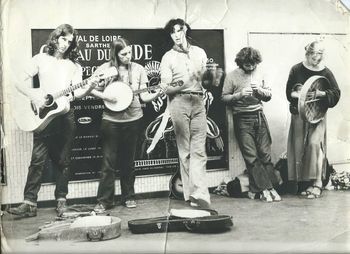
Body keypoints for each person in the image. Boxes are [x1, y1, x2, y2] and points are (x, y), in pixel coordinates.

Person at [8, 24, 97, 217]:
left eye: (70, 42)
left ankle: (61, 201)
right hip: (43, 115)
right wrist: (33, 95)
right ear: (56, 37)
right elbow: (17, 80)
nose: (66, 44)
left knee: (63, 160)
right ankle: (29, 203)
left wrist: (89, 88)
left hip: (65, 115)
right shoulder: (40, 59)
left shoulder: (74, 66)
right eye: (64, 39)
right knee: (37, 160)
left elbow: (78, 92)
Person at [88, 38, 162, 212]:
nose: (128, 56)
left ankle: (128, 196)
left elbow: (144, 97)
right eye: (123, 54)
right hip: (111, 121)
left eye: (130, 52)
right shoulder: (105, 69)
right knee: (108, 162)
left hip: (133, 119)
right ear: (115, 54)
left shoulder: (139, 69)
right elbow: (90, 88)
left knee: (128, 162)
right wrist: (106, 97)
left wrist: (158, 93)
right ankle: (105, 201)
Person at [160, 18, 219, 208]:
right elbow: (167, 89)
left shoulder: (200, 52)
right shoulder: (168, 57)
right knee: (185, 151)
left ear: (186, 30)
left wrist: (212, 78)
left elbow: (207, 82)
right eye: (173, 32)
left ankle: (200, 195)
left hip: (198, 101)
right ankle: (191, 195)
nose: (177, 35)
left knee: (199, 151)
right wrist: (187, 80)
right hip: (179, 102)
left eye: (180, 30)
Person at [221, 47, 281, 202]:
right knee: (252, 157)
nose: (251, 67)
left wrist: (260, 91)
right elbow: (224, 98)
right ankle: (267, 189)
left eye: (253, 64)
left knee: (265, 155)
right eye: (247, 64)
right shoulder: (232, 76)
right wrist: (239, 95)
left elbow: (268, 96)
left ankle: (259, 190)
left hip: (259, 116)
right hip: (242, 118)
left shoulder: (260, 72)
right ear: (241, 63)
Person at [286, 40, 341, 198]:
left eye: (320, 57)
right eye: (314, 56)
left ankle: (317, 183)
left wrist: (322, 94)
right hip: (300, 114)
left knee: (314, 145)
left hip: (317, 116)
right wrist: (302, 95)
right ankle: (305, 184)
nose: (317, 60)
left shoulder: (326, 72)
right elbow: (289, 92)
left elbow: (336, 93)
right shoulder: (296, 69)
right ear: (307, 54)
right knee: (299, 149)